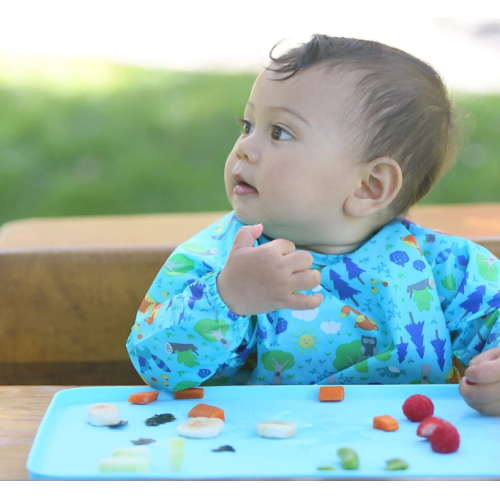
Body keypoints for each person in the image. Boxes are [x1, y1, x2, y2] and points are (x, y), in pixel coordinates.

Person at [126, 34, 500, 416]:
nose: (243, 147)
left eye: (279, 132)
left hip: (408, 457)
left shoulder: (449, 268)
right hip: (261, 456)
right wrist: (226, 299)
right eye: (248, 125)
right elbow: (154, 364)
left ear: (370, 186)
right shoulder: (218, 262)